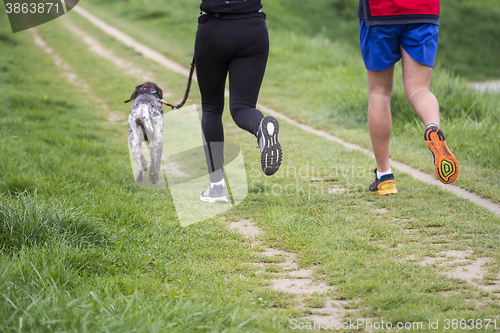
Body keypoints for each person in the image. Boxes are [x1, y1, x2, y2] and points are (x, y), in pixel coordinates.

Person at [357, 0, 459, 195]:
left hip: (380, 12)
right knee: (419, 89)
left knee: (379, 92)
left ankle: (384, 176)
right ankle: (432, 127)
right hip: (423, 10)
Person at [194, 0, 283, 203]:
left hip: (213, 30)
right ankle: (261, 128)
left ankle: (216, 186)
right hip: (253, 30)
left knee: (212, 108)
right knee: (243, 107)